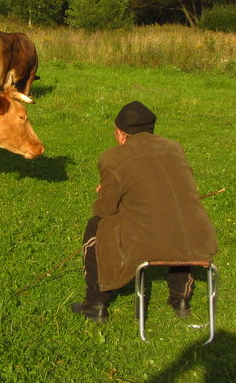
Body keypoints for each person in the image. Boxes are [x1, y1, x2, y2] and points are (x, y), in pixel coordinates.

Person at [72, 101, 217, 323]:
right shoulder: (175, 148)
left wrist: (107, 191)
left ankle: (95, 303)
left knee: (96, 225)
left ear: (121, 134)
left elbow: (104, 209)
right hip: (199, 239)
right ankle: (180, 299)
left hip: (149, 242)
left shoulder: (113, 158)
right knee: (179, 221)